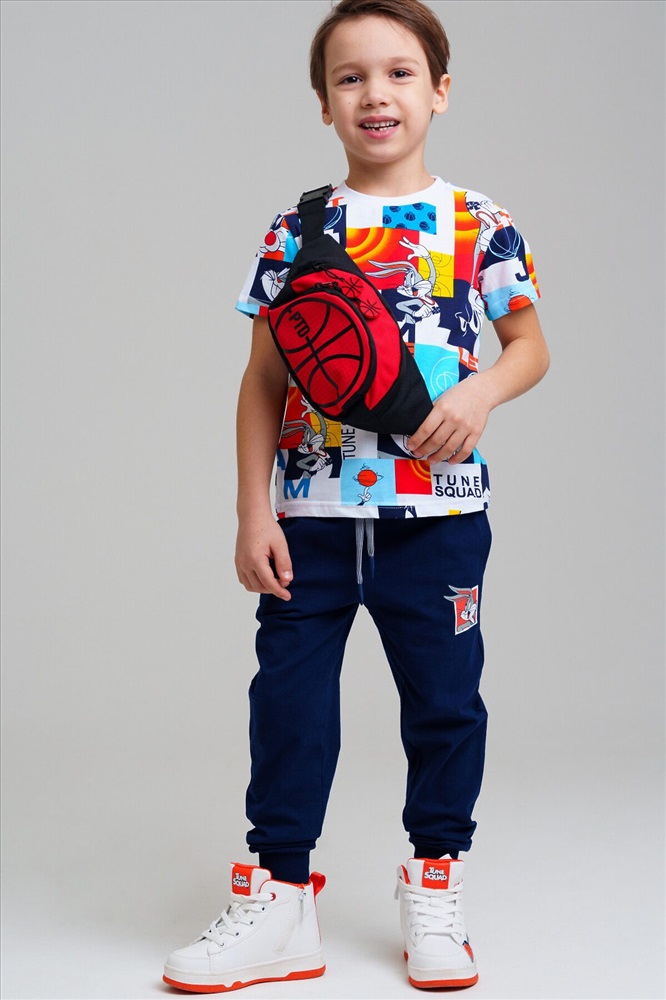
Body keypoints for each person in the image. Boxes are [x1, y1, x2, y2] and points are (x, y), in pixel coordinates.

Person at [163, 0, 549, 992]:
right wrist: (253, 511)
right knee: (288, 702)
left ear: (440, 91)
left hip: (441, 518)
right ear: (324, 102)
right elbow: (262, 380)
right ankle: (281, 897)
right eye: (350, 77)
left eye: (400, 72)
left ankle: (436, 884)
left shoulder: (481, 223)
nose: (376, 93)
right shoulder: (296, 231)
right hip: (312, 521)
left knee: (447, 705)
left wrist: (479, 392)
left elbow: (529, 347)